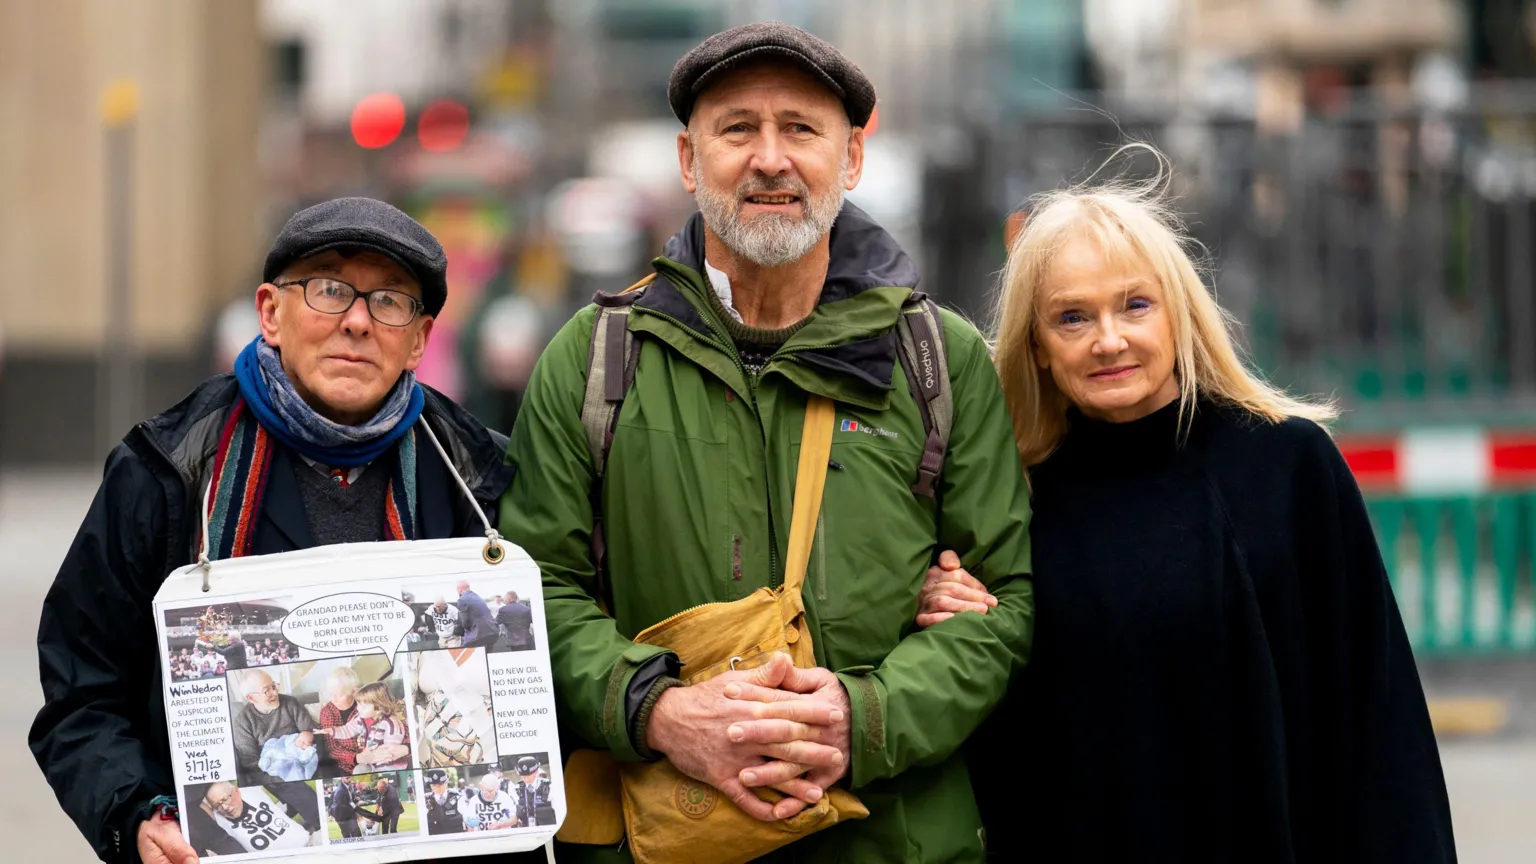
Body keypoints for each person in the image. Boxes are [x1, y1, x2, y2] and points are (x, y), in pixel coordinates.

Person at [501, 22, 1033, 863]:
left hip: (889, 839)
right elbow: (534, 592)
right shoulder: (595, 358)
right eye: (738, 128)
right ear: (689, 160)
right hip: (661, 833)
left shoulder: (941, 360)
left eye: (801, 129)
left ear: (850, 160)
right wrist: (662, 714)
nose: (771, 159)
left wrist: (865, 719)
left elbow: (1004, 608)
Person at [917, 149, 1456, 862]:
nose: (1110, 340)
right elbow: (1006, 754)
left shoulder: (1288, 466)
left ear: (1180, 314)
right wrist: (945, 616)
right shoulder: (1011, 499)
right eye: (1072, 318)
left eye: (1135, 305)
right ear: (1038, 348)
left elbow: (1379, 721)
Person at [32, 197, 516, 864]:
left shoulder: (479, 479)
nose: (356, 322)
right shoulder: (170, 472)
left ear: (420, 340)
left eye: (389, 302)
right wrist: (139, 816)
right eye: (328, 289)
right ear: (269, 312)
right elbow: (83, 696)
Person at [230, 670, 315, 786]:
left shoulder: (290, 703)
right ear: (251, 698)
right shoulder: (242, 723)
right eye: (266, 691)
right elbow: (251, 765)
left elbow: (310, 732)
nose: (274, 693)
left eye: (274, 686)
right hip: (275, 777)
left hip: (301, 760)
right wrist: (283, 779)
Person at [194, 782, 320, 853]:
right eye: (217, 805)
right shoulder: (218, 818)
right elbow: (192, 802)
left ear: (236, 791)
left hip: (308, 845)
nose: (225, 807)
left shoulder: (251, 790)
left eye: (225, 799)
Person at [320, 681, 411, 772]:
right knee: (358, 771)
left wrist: (373, 757)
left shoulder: (390, 724)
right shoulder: (360, 719)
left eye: (363, 706)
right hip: (371, 762)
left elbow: (390, 750)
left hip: (390, 764)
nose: (358, 708)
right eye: (358, 704)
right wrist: (332, 731)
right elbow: (348, 729)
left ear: (378, 708)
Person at [319, 666, 364, 775]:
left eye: (339, 695)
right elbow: (332, 748)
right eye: (331, 694)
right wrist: (356, 757)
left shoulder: (364, 705)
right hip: (346, 762)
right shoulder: (327, 712)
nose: (333, 699)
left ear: (354, 692)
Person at [510, 755, 555, 827]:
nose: (526, 778)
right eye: (523, 775)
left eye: (529, 775)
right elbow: (512, 813)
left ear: (536, 772)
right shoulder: (516, 789)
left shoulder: (550, 787)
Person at [455, 580, 499, 649]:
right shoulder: (477, 597)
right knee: (485, 657)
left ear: (460, 590)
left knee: (465, 653)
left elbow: (465, 623)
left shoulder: (461, 600)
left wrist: (460, 631)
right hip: (492, 632)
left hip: (479, 634)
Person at [424, 768, 467, 835]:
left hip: (456, 838)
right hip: (434, 840)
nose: (437, 788)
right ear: (430, 786)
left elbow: (466, 818)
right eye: (434, 785)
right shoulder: (426, 800)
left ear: (446, 783)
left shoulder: (457, 797)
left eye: (440, 784)